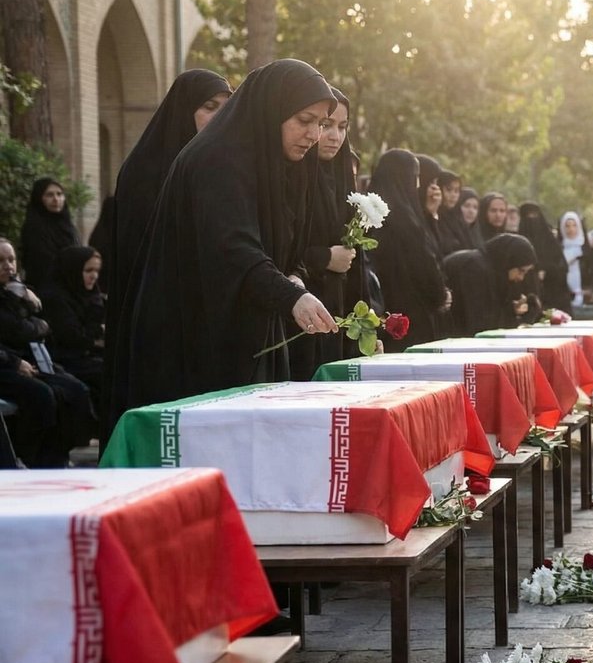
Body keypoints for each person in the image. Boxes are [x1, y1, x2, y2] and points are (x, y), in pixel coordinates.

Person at [123, 59, 339, 410]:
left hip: (243, 332)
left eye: (321, 123)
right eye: (304, 121)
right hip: (195, 338)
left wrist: (293, 278)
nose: (314, 135)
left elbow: (281, 246)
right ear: (273, 110)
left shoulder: (271, 163)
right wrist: (289, 296)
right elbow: (232, 247)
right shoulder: (218, 160)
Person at [94, 69, 231, 435]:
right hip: (154, 318)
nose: (220, 117)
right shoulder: (145, 170)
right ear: (184, 110)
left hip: (199, 317)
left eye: (226, 108)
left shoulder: (214, 169)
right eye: (209, 107)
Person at [0, 238, 94, 466]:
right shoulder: (12, 296)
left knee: (75, 390)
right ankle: (28, 456)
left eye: (11, 259)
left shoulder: (16, 292)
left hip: (27, 359)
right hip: (6, 364)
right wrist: (14, 362)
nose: (8, 266)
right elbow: (18, 329)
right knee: (42, 395)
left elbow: (42, 326)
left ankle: (56, 456)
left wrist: (23, 297)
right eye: (0, 261)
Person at [290, 87, 362, 379]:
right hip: (298, 312)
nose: (334, 136)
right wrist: (324, 258)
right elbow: (276, 251)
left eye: (342, 127)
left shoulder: (342, 181)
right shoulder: (290, 179)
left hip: (337, 310)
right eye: (325, 125)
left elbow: (357, 263)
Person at [369, 149, 451, 347]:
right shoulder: (407, 221)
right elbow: (425, 266)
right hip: (411, 321)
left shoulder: (367, 213)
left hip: (379, 319)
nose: (418, 185)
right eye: (415, 177)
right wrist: (441, 295)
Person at [38, 245, 105, 396]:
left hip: (86, 356)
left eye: (97, 271)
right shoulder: (54, 297)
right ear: (73, 270)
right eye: (88, 271)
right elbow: (74, 337)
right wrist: (99, 330)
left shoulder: (90, 295)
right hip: (64, 359)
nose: (94, 276)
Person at [441, 233, 539, 335]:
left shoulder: (491, 270)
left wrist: (511, 310)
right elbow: (476, 321)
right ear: (509, 261)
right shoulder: (475, 268)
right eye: (521, 271)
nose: (521, 277)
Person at [20, 178, 79, 290]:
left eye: (59, 194)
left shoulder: (68, 226)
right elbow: (41, 263)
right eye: (49, 195)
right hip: (46, 290)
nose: (56, 199)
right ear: (39, 198)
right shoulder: (34, 228)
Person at [519, 203, 569, 314]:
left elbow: (562, 268)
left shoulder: (551, 242)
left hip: (553, 296)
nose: (532, 219)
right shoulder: (519, 243)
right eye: (528, 215)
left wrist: (547, 270)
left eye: (535, 214)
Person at [558, 211, 587, 311]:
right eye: (567, 226)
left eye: (574, 225)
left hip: (586, 297)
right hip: (565, 296)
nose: (571, 229)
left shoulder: (586, 247)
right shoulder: (559, 248)